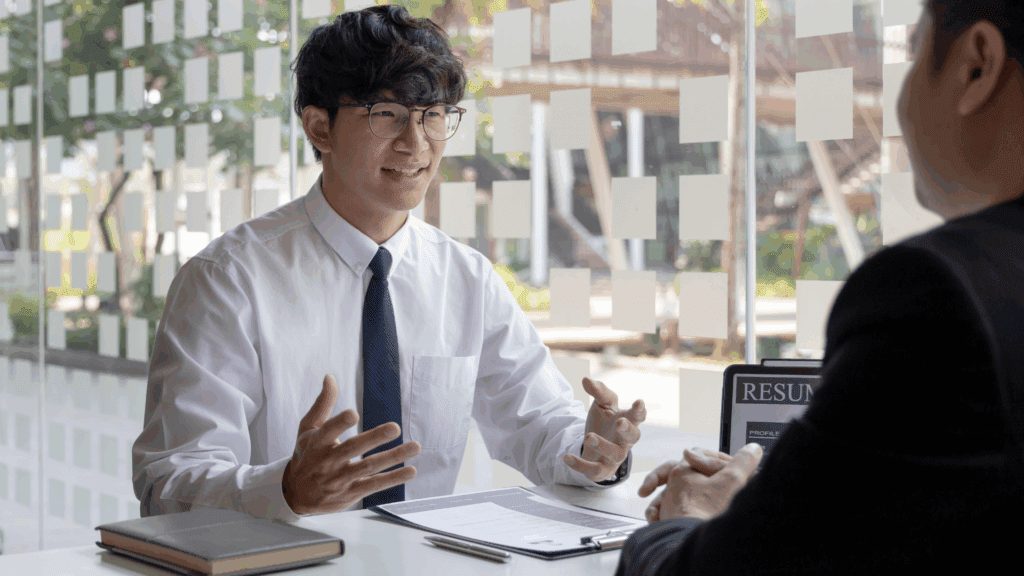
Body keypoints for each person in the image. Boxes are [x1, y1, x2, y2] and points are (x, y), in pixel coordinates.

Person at [132, 5, 646, 521]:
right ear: (319, 128)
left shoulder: (466, 279)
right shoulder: (228, 280)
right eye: (388, 115)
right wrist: (285, 490)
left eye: (434, 116)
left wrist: (593, 450)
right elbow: (169, 479)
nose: (416, 144)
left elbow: (538, 423)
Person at [615, 1, 1024, 573]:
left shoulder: (936, 293)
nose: (897, 103)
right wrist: (784, 495)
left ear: (977, 65)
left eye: (910, 57)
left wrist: (693, 515)